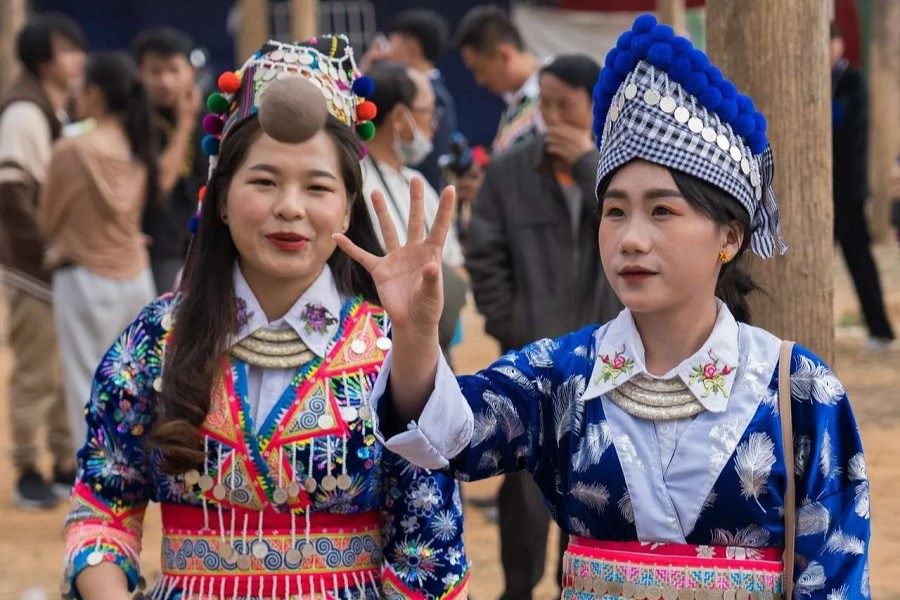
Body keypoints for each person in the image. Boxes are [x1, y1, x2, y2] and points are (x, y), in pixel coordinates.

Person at [338, 15, 871, 599]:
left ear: (730, 235)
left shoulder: (798, 391)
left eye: (662, 212)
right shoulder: (563, 376)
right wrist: (416, 334)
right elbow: (447, 438)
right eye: (615, 211)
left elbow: (836, 580)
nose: (631, 239)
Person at [61, 35, 469, 600]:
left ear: (347, 208)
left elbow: (429, 551)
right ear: (221, 198)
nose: (290, 207)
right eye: (264, 181)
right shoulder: (157, 338)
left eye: (317, 186)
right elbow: (103, 506)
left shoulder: (387, 346)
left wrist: (418, 338)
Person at [463, 53, 622, 600]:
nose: (552, 117)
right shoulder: (512, 170)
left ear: (595, 106)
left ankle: (570, 587)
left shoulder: (618, 175)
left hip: (608, 359)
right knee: (525, 491)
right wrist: (509, 322)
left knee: (594, 482)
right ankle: (516, 589)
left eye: (565, 106)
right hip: (532, 356)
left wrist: (587, 165)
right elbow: (484, 253)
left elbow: (635, 240)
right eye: (545, 104)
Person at [38, 52, 159, 448]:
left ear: (93, 95)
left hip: (84, 281)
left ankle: (93, 493)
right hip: (136, 279)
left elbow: (47, 220)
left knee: (84, 387)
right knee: (133, 388)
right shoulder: (139, 145)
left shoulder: (72, 150)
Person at [0, 12, 86, 509]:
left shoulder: (53, 106)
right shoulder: (23, 112)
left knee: (60, 371)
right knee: (36, 374)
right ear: (42, 59)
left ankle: (61, 463)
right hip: (34, 270)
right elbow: (12, 196)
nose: (77, 59)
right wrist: (46, 256)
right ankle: (28, 467)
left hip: (55, 268)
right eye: (66, 51)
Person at [360, 62, 467, 354]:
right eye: (429, 113)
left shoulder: (414, 180)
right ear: (398, 117)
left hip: (433, 341)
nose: (433, 124)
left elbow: (454, 263)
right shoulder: (357, 183)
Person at [453, 5, 545, 246]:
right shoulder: (515, 103)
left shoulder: (553, 93)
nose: (479, 81)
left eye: (480, 70)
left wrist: (491, 190)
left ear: (504, 56)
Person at [830, 23, 895, 350]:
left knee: (860, 261)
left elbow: (842, 122)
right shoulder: (826, 81)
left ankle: (880, 330)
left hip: (848, 188)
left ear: (838, 44)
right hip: (821, 191)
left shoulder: (852, 80)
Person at [132, 26, 206, 293]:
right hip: (159, 247)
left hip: (200, 239)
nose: (165, 81)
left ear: (191, 72)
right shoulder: (134, 122)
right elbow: (159, 184)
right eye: (155, 71)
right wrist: (185, 125)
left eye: (174, 70)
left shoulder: (209, 116)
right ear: (140, 73)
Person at [361, 9, 457, 193]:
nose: (385, 52)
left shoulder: (436, 97)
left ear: (411, 47)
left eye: (390, 43)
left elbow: (432, 163)